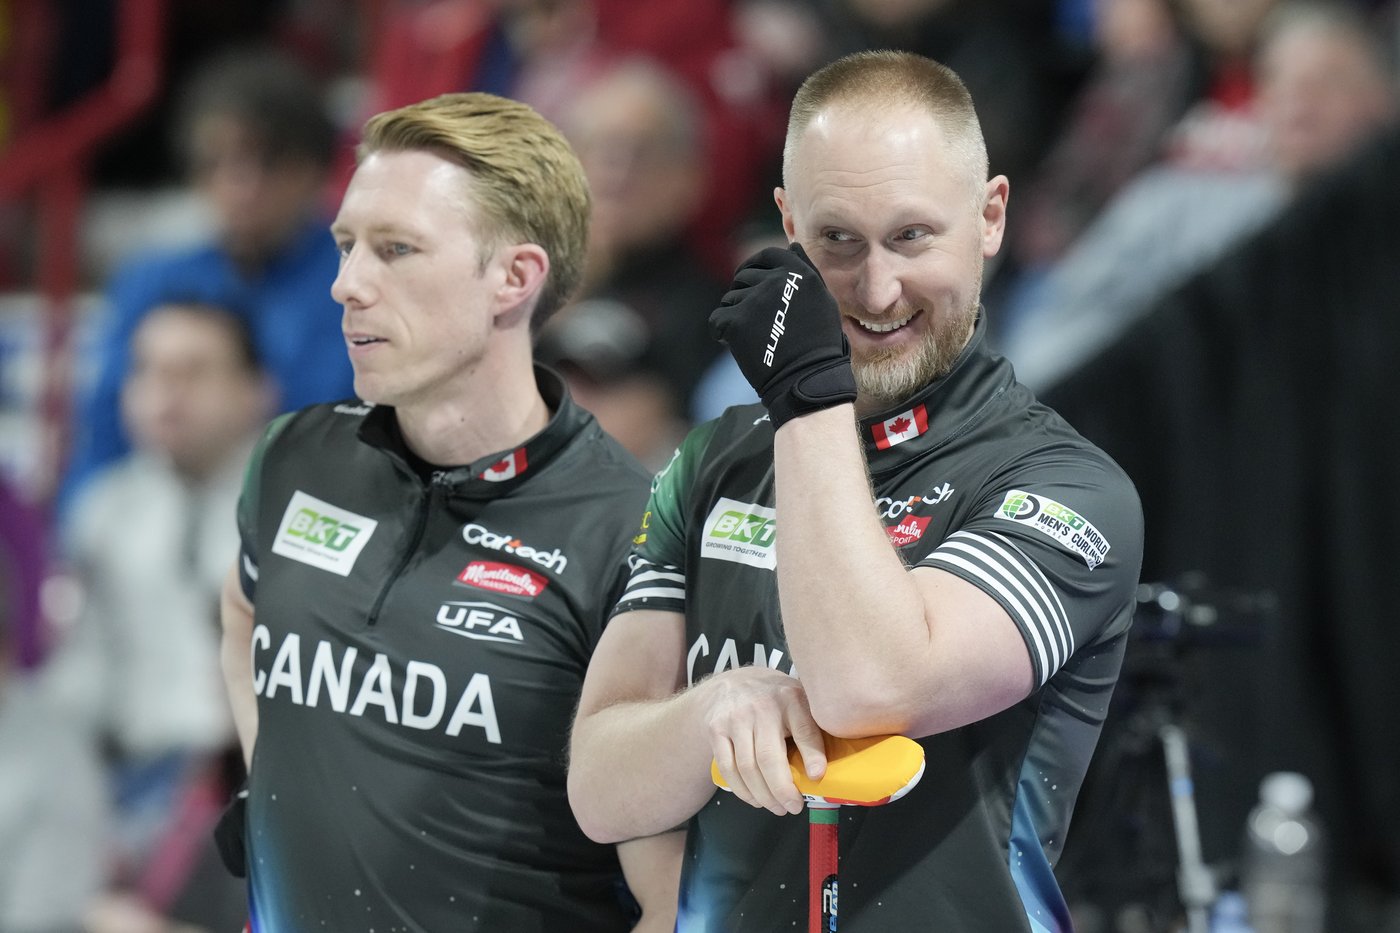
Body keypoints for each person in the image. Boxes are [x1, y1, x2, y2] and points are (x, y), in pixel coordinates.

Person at [568, 50, 1145, 931]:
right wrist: (713, 711)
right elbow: (602, 790)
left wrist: (808, 401)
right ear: (788, 224)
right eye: (837, 240)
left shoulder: (1067, 488)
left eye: (913, 236)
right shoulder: (715, 457)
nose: (878, 290)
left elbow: (870, 686)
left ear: (991, 216)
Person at [218, 91, 681, 930]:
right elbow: (244, 608)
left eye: (395, 250)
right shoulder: (293, 456)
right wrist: (274, 787)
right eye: (347, 244)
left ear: (515, 278)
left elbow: (672, 900)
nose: (347, 284)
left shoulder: (630, 536)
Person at [52, 300, 273, 931]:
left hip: (241, 788)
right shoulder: (103, 509)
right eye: (148, 371)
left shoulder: (299, 512)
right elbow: (78, 678)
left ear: (256, 391)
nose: (165, 393)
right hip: (123, 782)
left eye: (194, 371)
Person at [61, 45, 352, 514]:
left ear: (313, 168)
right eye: (214, 163)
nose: (239, 187)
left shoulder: (353, 281)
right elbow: (104, 434)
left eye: (265, 162)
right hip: (159, 522)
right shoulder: (150, 282)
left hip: (312, 520)